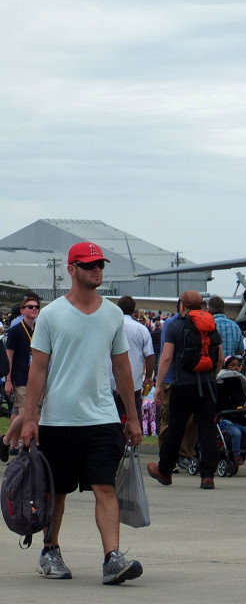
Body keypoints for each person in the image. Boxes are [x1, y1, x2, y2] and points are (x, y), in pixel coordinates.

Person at [21, 242, 143, 584]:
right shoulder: (51, 314)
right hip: (59, 420)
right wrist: (30, 418)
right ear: (72, 269)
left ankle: (112, 559)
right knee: (55, 492)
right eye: (89, 265)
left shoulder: (113, 315)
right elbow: (38, 369)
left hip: (102, 418)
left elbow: (122, 369)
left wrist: (131, 417)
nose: (97, 270)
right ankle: (50, 550)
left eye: (99, 264)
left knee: (105, 486)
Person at [149, 290, 223, 489]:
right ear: (201, 306)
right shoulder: (211, 325)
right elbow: (220, 358)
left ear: (182, 305)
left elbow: (166, 358)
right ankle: (207, 475)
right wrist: (211, 377)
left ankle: (164, 470)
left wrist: (158, 384)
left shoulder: (174, 326)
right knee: (207, 427)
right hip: (207, 384)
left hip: (182, 385)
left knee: (176, 427)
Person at [115, 295, 155, 426]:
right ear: (133, 311)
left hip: (112, 380)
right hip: (134, 381)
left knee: (113, 416)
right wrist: (148, 376)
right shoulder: (141, 329)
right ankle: (133, 440)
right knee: (134, 413)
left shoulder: (112, 327)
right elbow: (149, 355)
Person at [6, 293, 40, 427]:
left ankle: (11, 444)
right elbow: (9, 356)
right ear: (22, 311)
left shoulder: (39, 330)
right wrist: (8, 380)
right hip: (20, 378)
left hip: (35, 378)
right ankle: (25, 444)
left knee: (19, 413)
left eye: (36, 307)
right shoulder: (15, 330)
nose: (34, 309)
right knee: (27, 413)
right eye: (30, 306)